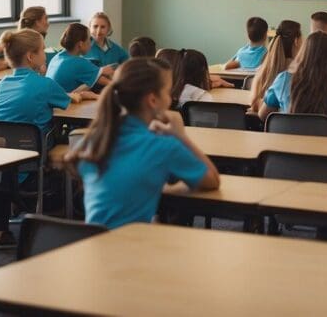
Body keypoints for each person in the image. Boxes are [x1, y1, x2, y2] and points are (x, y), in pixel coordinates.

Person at [66, 57, 220, 229]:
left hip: (91, 245)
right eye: (167, 92)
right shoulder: (162, 146)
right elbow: (212, 180)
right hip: (132, 248)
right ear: (153, 100)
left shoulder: (93, 139)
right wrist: (180, 136)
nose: (170, 99)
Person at [0, 29, 81, 248]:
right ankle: (64, 220)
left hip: (1, 168)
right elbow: (68, 102)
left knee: (12, 154)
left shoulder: (1, 85)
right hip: (33, 165)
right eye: (42, 51)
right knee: (71, 142)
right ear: (31, 56)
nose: (46, 55)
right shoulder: (45, 84)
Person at [248, 20, 301, 113]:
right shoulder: (297, 74)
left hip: (266, 124)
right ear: (296, 41)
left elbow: (254, 105)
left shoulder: (263, 70)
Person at [46, 23, 102, 99]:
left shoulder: (57, 57)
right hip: (62, 108)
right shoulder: (79, 63)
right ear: (80, 44)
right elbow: (108, 82)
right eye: (89, 39)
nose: (90, 42)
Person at [86, 12, 129, 79]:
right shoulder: (82, 48)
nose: (98, 31)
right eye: (95, 26)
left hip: (112, 85)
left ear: (108, 29)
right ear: (89, 28)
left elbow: (127, 65)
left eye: (103, 27)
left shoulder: (116, 49)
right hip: (90, 87)